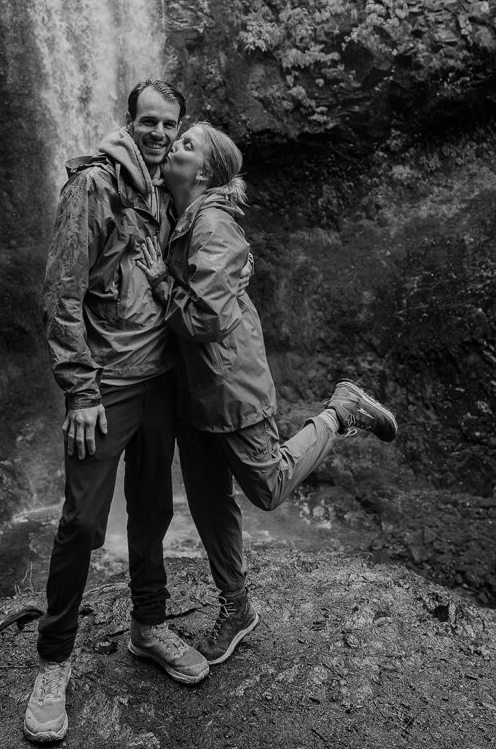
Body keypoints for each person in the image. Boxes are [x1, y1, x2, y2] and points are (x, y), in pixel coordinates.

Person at [137, 121, 398, 668]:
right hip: (192, 390)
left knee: (269, 486)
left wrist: (161, 282)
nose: (170, 146)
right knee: (209, 505)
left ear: (205, 172)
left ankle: (339, 410)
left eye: (185, 144)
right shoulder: (177, 214)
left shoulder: (213, 227)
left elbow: (206, 318)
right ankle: (237, 608)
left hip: (230, 383)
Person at [23, 80, 211, 746]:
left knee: (155, 509)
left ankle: (148, 625)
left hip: (160, 382)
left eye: (169, 123)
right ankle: (53, 662)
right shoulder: (93, 188)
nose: (159, 133)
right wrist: (77, 389)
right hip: (102, 390)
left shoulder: (168, 190)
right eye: (148, 122)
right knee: (79, 524)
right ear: (128, 123)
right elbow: (62, 290)